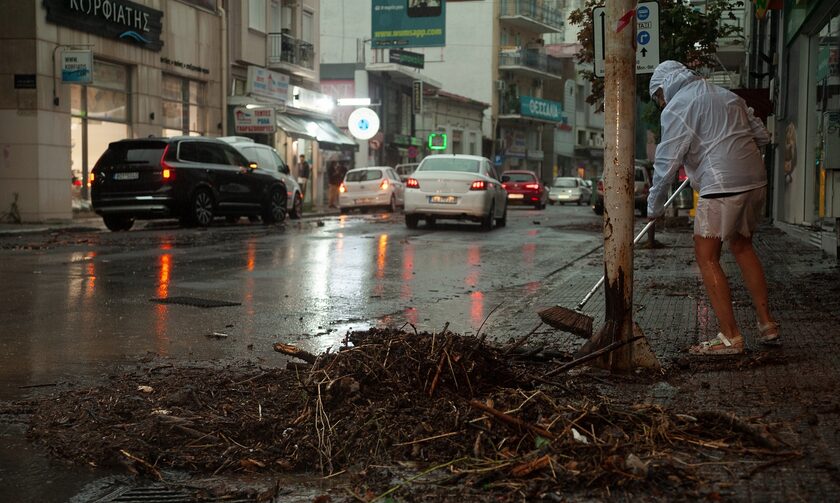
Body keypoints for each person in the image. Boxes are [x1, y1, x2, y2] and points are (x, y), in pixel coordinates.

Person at [647, 60, 779, 355]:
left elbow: (667, 162)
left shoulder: (678, 106)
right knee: (743, 247)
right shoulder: (728, 96)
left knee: (707, 257)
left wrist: (654, 205)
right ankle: (767, 324)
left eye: (658, 96)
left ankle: (731, 337)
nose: (660, 103)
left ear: (664, 87)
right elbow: (763, 137)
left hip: (722, 185)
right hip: (755, 180)